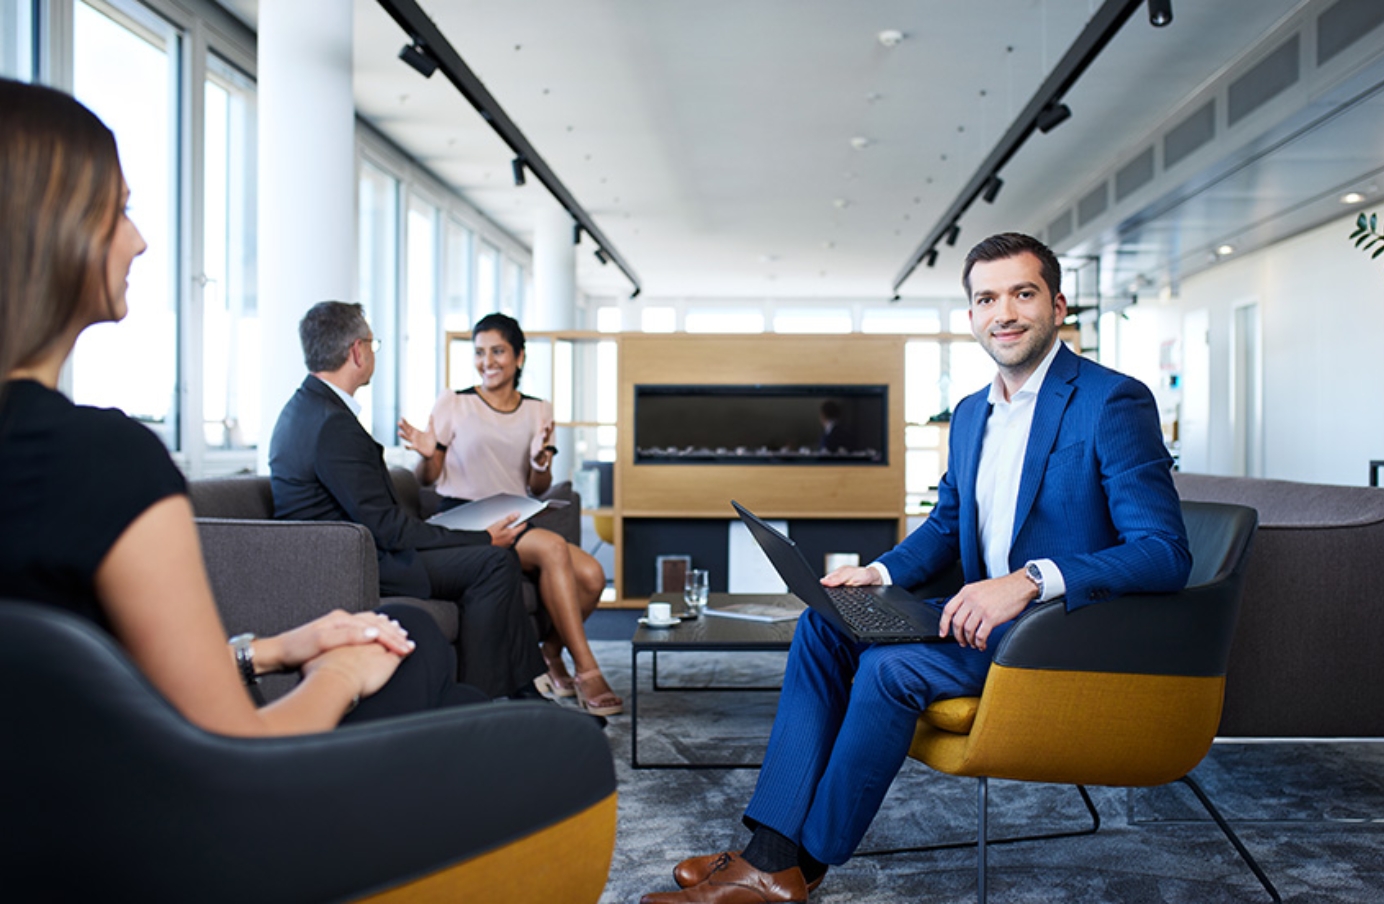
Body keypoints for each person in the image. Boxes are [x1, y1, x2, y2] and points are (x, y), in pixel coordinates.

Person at [641, 232, 1192, 904]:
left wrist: (1029, 580)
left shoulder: (1112, 401)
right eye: (987, 298)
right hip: (972, 621)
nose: (1005, 312)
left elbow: (1164, 550)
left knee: (888, 666)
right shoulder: (969, 414)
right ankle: (771, 852)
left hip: (1055, 633)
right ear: (970, 315)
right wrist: (877, 573)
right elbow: (947, 527)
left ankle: (794, 865)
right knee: (824, 625)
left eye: (1023, 293)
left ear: (1057, 304)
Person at [0, 79, 487, 735]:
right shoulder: (99, 463)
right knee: (419, 656)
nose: (139, 241)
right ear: (52, 230)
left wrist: (276, 650)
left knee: (434, 681)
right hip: (171, 815)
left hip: (58, 799)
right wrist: (338, 674)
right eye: (119, 211)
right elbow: (237, 748)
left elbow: (95, 675)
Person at [269, 302, 547, 701]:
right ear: (357, 351)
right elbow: (390, 529)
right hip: (355, 563)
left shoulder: (306, 408)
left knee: (495, 559)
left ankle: (525, 695)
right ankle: (480, 703)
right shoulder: (333, 424)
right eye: (373, 344)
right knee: (494, 562)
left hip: (346, 551)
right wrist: (482, 539)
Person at [398, 313, 622, 716]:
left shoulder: (538, 409)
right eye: (480, 353)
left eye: (498, 351)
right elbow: (427, 480)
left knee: (591, 576)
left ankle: (551, 654)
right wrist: (429, 455)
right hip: (463, 517)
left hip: (514, 515)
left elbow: (537, 486)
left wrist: (539, 461)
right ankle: (587, 670)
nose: (488, 361)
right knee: (554, 548)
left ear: (519, 357)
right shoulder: (455, 402)